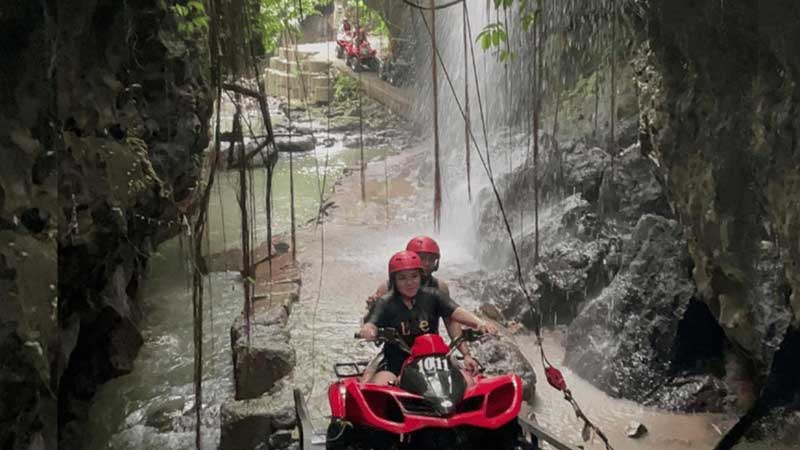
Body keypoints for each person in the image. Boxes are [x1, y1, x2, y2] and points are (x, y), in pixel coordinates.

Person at [360, 251, 497, 385]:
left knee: (468, 382)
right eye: (402, 278)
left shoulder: (434, 295)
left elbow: (456, 311)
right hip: (396, 362)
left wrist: (480, 323)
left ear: (421, 277)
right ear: (394, 280)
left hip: (435, 359)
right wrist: (369, 331)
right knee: (378, 386)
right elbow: (371, 323)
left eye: (414, 276)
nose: (409, 282)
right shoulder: (385, 302)